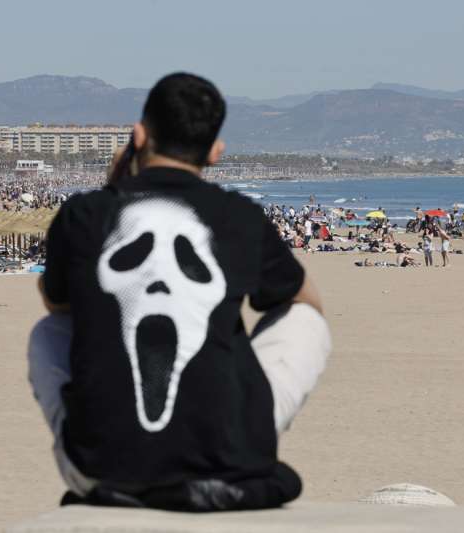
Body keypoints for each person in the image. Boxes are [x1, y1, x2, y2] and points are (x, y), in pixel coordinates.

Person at [28, 73, 331, 512]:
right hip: (229, 462)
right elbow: (307, 302)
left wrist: (114, 189)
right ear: (215, 152)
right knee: (306, 321)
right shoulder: (239, 217)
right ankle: (233, 428)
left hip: (102, 469)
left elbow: (56, 303)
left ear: (139, 136)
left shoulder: (84, 215)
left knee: (47, 331)